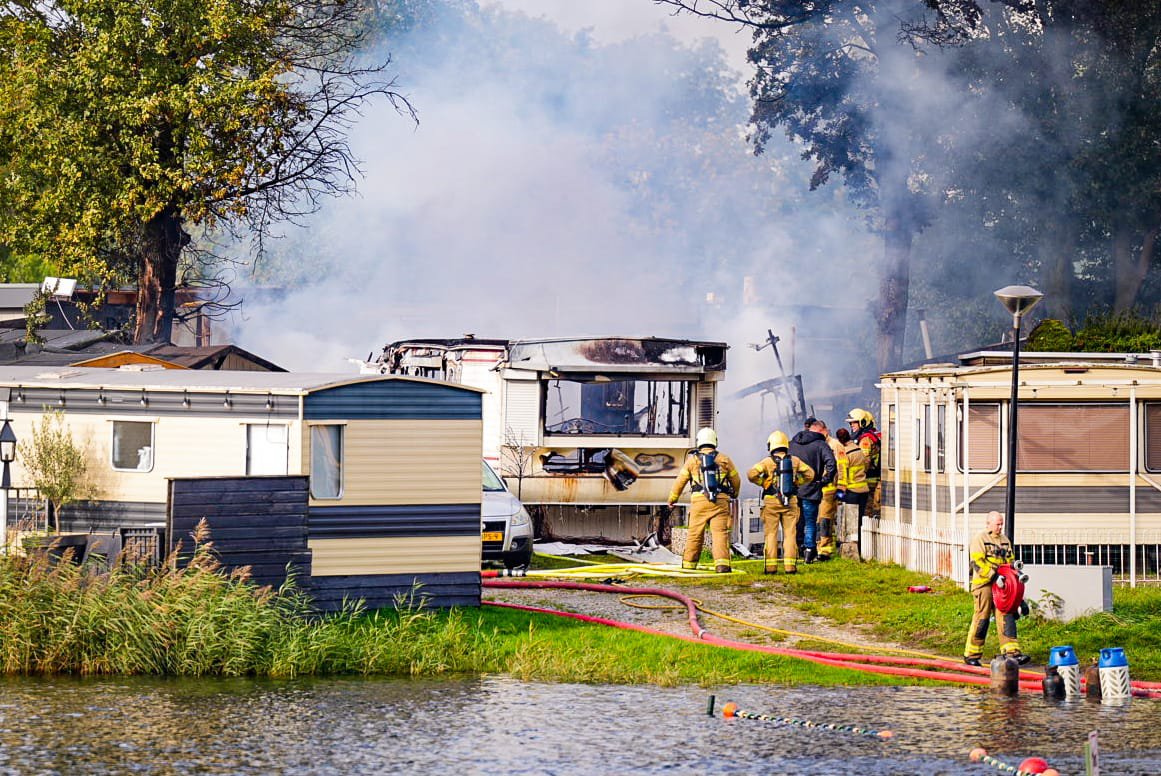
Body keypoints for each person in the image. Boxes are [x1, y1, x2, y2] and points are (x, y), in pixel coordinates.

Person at [668, 427, 741, 573]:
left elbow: (680, 482)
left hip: (699, 502)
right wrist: (734, 494)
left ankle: (689, 565)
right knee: (720, 533)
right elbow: (736, 480)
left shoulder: (692, 460)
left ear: (699, 442)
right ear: (714, 441)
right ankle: (722, 565)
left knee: (695, 533)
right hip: (720, 502)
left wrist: (672, 499)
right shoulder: (724, 459)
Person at [963, 510, 1031, 667]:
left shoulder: (1005, 540)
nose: (1000, 527)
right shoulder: (980, 539)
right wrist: (994, 577)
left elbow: (1010, 564)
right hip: (984, 584)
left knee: (1006, 616)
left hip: (1002, 586)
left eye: (1001, 524)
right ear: (989, 523)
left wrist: (1017, 596)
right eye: (997, 524)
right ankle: (972, 654)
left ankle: (1012, 653)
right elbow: (977, 563)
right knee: (982, 617)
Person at [747, 430, 813, 573]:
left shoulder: (767, 462)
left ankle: (771, 567)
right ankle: (790, 567)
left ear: (771, 445)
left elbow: (751, 474)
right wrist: (797, 482)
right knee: (790, 534)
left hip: (771, 502)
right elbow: (810, 474)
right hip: (791, 501)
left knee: (771, 534)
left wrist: (764, 483)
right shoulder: (795, 461)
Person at [788, 417, 836, 564]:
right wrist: (823, 481)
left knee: (796, 522)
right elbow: (831, 464)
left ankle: (794, 550)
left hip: (793, 490)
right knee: (810, 522)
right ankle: (809, 552)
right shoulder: (821, 444)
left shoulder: (792, 443)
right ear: (820, 430)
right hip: (812, 489)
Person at [834, 427, 869, 552]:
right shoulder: (859, 449)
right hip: (864, 490)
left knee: (850, 523)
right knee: (860, 521)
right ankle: (861, 547)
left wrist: (840, 490)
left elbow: (842, 472)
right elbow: (867, 464)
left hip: (851, 492)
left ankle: (852, 548)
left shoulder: (844, 453)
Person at [846, 409, 882, 519]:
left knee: (866, 512)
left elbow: (864, 461)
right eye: (850, 423)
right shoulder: (869, 436)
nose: (852, 425)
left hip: (869, 480)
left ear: (863, 422)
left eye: (854, 422)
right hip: (871, 479)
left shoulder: (865, 440)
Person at [817, 422, 845, 560]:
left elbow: (842, 467)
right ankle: (818, 547)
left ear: (825, 430)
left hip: (829, 490)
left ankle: (825, 550)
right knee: (817, 521)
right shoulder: (817, 444)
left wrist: (841, 486)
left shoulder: (835, 445)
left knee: (825, 520)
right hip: (817, 490)